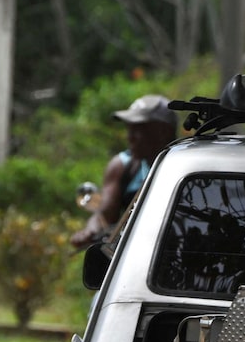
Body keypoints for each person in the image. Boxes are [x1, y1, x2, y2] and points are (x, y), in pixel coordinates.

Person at [71, 95, 178, 248]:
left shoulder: (186, 166)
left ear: (163, 131)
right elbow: (104, 215)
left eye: (139, 129)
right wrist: (90, 231)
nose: (130, 137)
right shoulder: (122, 166)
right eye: (129, 129)